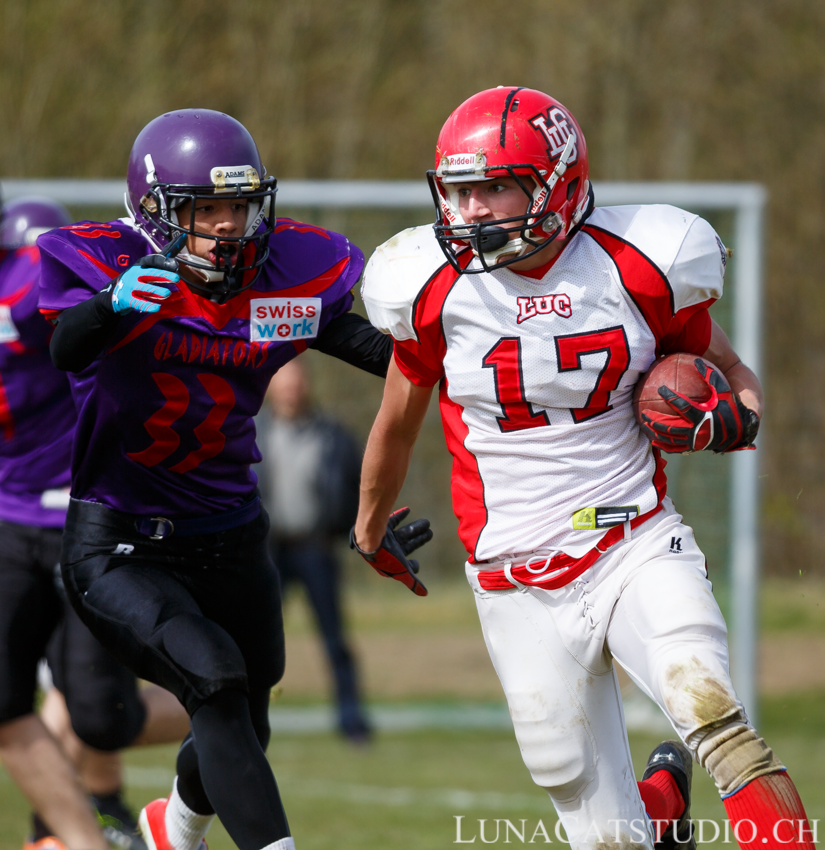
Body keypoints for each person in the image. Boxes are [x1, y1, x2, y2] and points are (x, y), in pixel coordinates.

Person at [352, 87, 814, 850]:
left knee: (710, 713)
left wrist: (738, 416)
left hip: (632, 535)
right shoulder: (428, 285)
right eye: (457, 192)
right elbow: (395, 424)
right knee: (605, 837)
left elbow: (729, 369)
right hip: (512, 572)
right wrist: (369, 529)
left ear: (556, 180)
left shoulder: (639, 262)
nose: (470, 212)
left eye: (492, 187)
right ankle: (660, 810)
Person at [36, 109, 427, 850]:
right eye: (203, 209)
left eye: (236, 206)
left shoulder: (281, 278)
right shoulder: (111, 270)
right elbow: (64, 346)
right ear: (155, 213)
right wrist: (110, 307)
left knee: (248, 716)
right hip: (122, 538)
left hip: (230, 531)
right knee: (212, 680)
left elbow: (397, 359)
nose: (226, 227)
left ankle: (172, 832)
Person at [0, 195, 190, 850]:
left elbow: (65, 305)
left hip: (83, 512)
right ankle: (87, 839)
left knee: (98, 715)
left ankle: (224, 703)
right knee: (8, 702)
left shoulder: (30, 272)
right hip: (9, 514)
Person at [256, 358, 371, 742]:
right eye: (284, 381)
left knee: (335, 639)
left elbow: (358, 486)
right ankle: (247, 720)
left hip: (316, 549)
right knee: (257, 640)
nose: (292, 388)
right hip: (266, 552)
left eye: (297, 380)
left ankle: (352, 720)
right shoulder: (250, 434)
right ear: (271, 386)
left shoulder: (333, 434)